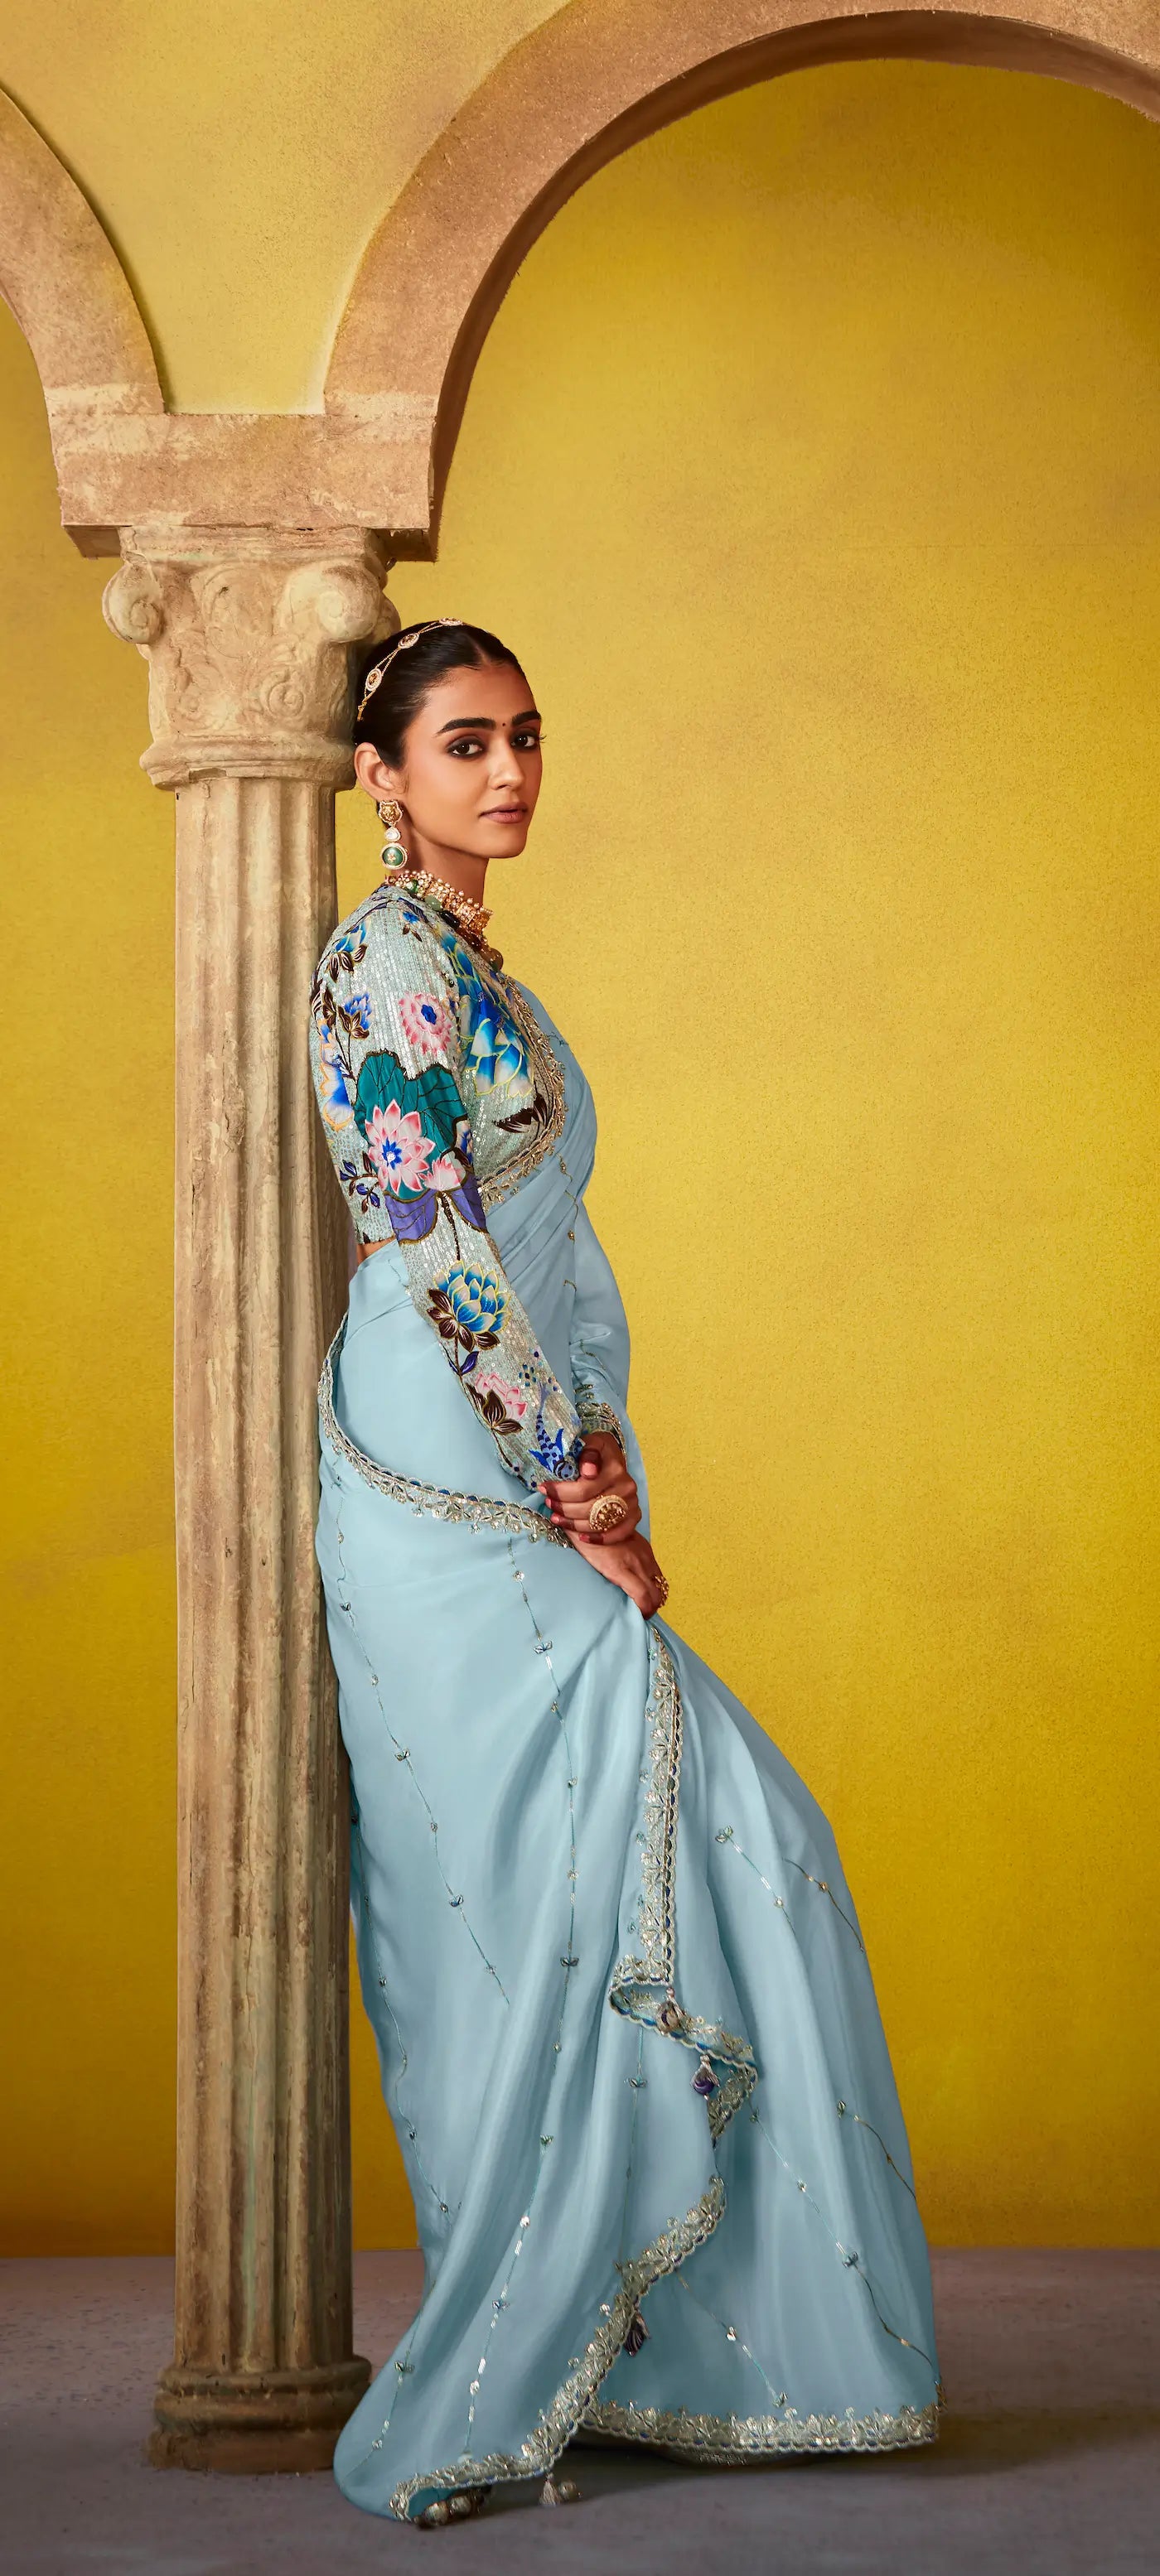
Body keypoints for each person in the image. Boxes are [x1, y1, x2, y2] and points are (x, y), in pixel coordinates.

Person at [309, 618, 941, 2525]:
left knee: (641, 1869)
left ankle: (665, 2347)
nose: (506, 770)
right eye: (463, 742)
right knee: (522, 1883)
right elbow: (436, 1239)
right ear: (379, 775)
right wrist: (564, 1473)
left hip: (515, 1446)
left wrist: (597, 1451)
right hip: (440, 1469)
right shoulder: (381, 960)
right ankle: (531, 2334)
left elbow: (557, 1247)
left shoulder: (475, 965)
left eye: (523, 736)